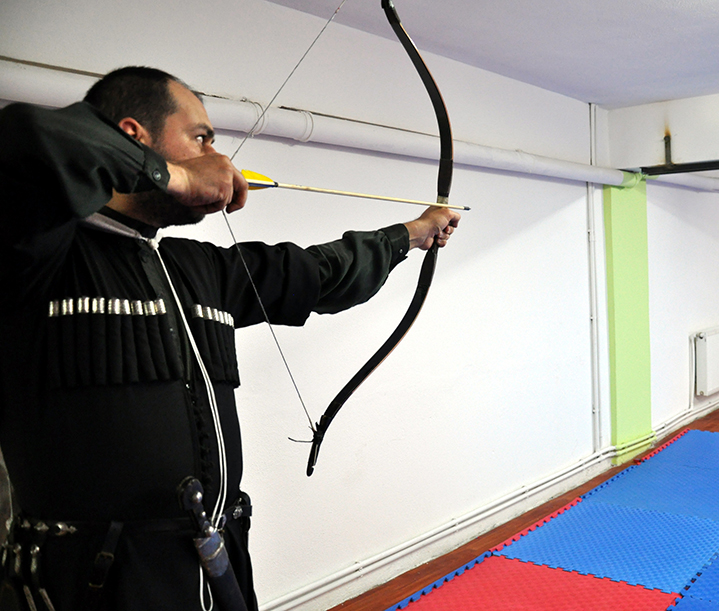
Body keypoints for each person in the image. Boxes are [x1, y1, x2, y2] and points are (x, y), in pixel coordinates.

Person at [0, 66, 459, 611]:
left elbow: (318, 272)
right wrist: (173, 177)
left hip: (215, 562)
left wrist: (409, 234)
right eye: (200, 138)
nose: (217, 156)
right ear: (132, 136)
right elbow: (24, 140)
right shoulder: (33, 250)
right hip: (91, 581)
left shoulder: (197, 267)